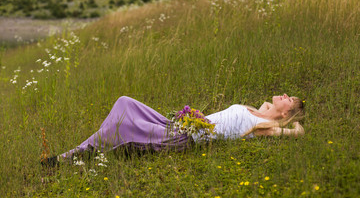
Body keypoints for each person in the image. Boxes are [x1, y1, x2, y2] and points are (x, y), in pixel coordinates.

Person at [42, 94, 304, 166]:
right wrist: (276, 108)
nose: (284, 95)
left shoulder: (262, 125)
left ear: (284, 114)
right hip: (181, 125)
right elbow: (268, 105)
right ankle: (90, 149)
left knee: (119, 125)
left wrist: (289, 125)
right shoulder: (258, 111)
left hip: (185, 137)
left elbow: (291, 131)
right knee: (125, 103)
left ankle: (70, 156)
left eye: (289, 99)